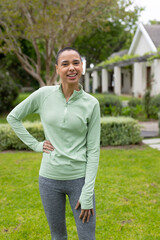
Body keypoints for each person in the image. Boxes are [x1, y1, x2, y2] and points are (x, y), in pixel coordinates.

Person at [7, 47, 101, 240]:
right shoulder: (44, 95)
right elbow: (13, 117)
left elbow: (93, 150)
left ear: (82, 67)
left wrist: (87, 191)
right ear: (57, 69)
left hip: (79, 180)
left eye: (76, 62)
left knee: (87, 236)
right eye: (65, 64)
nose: (71, 68)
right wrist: (35, 145)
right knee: (58, 236)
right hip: (49, 180)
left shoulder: (91, 104)